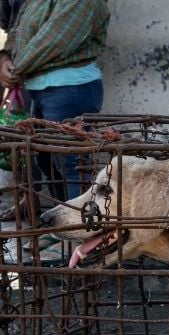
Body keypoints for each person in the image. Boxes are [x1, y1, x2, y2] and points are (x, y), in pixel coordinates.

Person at [0, 0, 110, 220]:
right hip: (42, 87)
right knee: (47, 161)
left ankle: (79, 229)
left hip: (69, 89)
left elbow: (53, 41)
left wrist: (15, 69)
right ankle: (63, 226)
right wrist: (4, 59)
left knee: (71, 165)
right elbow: (17, 31)